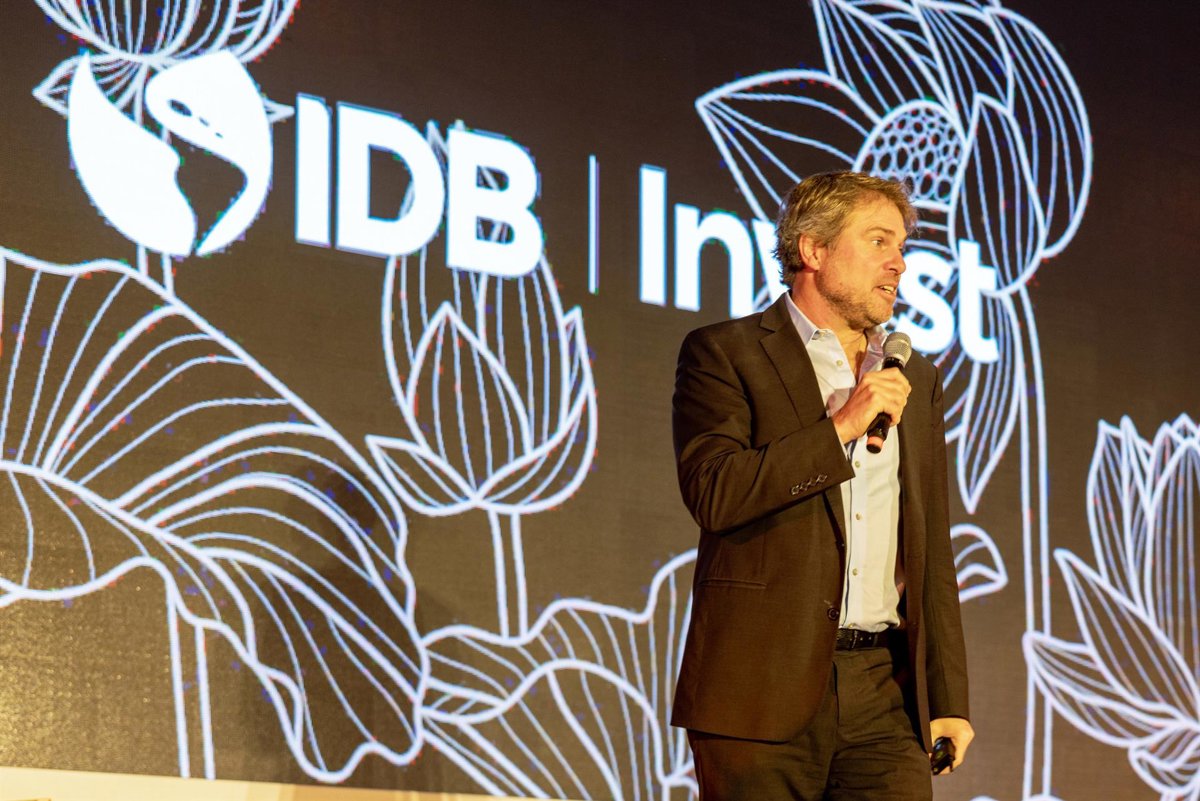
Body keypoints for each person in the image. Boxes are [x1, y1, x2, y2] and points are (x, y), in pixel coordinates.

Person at [671, 171, 973, 799]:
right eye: (879, 241)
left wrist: (947, 696)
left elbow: (929, 548)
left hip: (884, 691)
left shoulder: (913, 377)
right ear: (813, 249)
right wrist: (841, 428)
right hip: (759, 687)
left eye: (902, 247)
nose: (899, 263)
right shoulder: (725, 353)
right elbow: (715, 491)